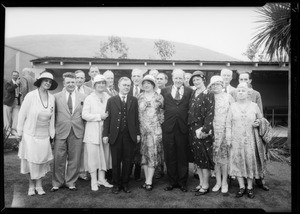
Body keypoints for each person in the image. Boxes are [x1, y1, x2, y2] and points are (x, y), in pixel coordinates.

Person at [16, 71, 58, 195]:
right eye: (45, 80)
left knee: (42, 161)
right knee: (31, 161)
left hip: (44, 135)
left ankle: (39, 185)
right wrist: (19, 131)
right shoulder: (30, 96)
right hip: (30, 134)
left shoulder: (52, 97)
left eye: (50, 82)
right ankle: (31, 186)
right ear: (40, 82)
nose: (48, 83)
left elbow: (52, 118)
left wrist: (52, 134)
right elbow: (22, 114)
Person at [103, 77, 140, 194]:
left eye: (128, 85)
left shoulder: (133, 100)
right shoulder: (111, 100)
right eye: (124, 85)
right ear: (118, 85)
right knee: (116, 161)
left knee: (128, 160)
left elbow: (136, 118)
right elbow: (107, 119)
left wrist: (137, 133)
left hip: (129, 135)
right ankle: (116, 184)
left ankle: (125, 183)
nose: (126, 87)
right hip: (115, 135)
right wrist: (105, 134)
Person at [226, 82, 263, 199]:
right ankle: (241, 187)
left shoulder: (254, 106)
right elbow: (228, 123)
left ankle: (250, 187)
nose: (240, 92)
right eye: (239, 90)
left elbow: (261, 119)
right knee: (237, 162)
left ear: (248, 93)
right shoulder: (232, 106)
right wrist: (228, 138)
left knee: (249, 162)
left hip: (250, 140)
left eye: (243, 90)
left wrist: (258, 122)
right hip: (236, 140)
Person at [231, 72, 268, 190]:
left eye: (245, 79)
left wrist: (258, 122)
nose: (243, 80)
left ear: (250, 80)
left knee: (254, 157)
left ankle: (259, 181)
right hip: (238, 133)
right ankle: (242, 185)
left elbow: (260, 114)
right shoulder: (233, 93)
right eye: (241, 79)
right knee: (240, 158)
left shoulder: (256, 94)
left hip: (252, 133)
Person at [51, 72, 86, 191]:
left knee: (74, 158)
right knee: (58, 157)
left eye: (73, 82)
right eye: (68, 82)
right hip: (61, 131)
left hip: (77, 131)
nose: (71, 84)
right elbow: (53, 115)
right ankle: (57, 182)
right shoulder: (55, 97)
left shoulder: (83, 97)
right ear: (64, 83)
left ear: (76, 83)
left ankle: (71, 182)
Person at [161, 68, 193, 193]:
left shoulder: (190, 91)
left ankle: (182, 182)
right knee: (170, 155)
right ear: (172, 78)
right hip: (168, 127)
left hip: (183, 128)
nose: (178, 80)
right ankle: (172, 181)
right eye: (176, 78)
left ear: (184, 79)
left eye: (180, 78)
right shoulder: (164, 91)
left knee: (182, 155)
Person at [82, 74, 113, 191]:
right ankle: (94, 181)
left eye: (103, 83)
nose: (101, 85)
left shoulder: (108, 97)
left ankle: (102, 179)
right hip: (92, 131)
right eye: (98, 83)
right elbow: (85, 115)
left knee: (104, 156)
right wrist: (100, 116)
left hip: (105, 131)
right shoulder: (89, 98)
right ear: (94, 85)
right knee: (93, 157)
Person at [187, 71, 215, 196]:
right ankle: (200, 183)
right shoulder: (194, 92)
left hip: (202, 131)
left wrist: (205, 130)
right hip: (192, 130)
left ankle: (206, 185)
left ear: (203, 80)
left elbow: (210, 113)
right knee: (197, 159)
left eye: (198, 79)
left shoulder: (208, 94)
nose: (196, 82)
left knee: (204, 159)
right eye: (194, 80)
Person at [207, 75, 234, 194]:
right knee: (215, 159)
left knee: (224, 158)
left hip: (225, 131)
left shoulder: (229, 97)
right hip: (212, 132)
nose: (216, 86)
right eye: (213, 84)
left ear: (222, 85)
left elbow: (233, 114)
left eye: (218, 84)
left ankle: (224, 182)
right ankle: (218, 182)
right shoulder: (209, 97)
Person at [138, 75, 164, 191]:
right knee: (144, 155)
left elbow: (163, 113)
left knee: (152, 155)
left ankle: (149, 181)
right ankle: (146, 179)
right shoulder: (138, 97)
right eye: (144, 83)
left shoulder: (159, 97)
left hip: (155, 131)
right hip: (142, 131)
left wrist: (158, 127)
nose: (146, 85)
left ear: (153, 84)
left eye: (149, 83)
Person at [75, 69, 94, 181]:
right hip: (73, 123)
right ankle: (72, 171)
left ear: (84, 79)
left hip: (85, 123)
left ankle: (82, 171)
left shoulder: (89, 91)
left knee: (84, 149)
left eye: (81, 78)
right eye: (77, 77)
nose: (79, 80)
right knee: (73, 149)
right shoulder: (67, 88)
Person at [129, 68, 144, 181]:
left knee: (139, 149)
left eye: (138, 76)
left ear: (142, 77)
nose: (136, 78)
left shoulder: (146, 89)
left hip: (143, 123)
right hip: (129, 123)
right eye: (134, 76)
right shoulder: (126, 89)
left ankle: (138, 174)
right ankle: (128, 172)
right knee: (130, 149)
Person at [153, 72, 168, 179]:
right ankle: (157, 169)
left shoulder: (168, 92)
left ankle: (164, 168)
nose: (159, 80)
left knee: (164, 147)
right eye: (157, 79)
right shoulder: (153, 92)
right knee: (156, 147)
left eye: (161, 79)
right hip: (154, 124)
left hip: (166, 123)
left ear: (166, 80)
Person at [3, 71, 22, 136]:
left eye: (16, 75)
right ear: (11, 76)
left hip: (16, 101)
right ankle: (7, 131)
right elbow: (8, 90)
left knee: (16, 117)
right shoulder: (8, 83)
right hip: (8, 102)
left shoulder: (19, 83)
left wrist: (20, 94)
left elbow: (19, 90)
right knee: (7, 117)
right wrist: (16, 84)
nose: (15, 76)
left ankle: (14, 130)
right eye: (14, 75)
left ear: (18, 76)